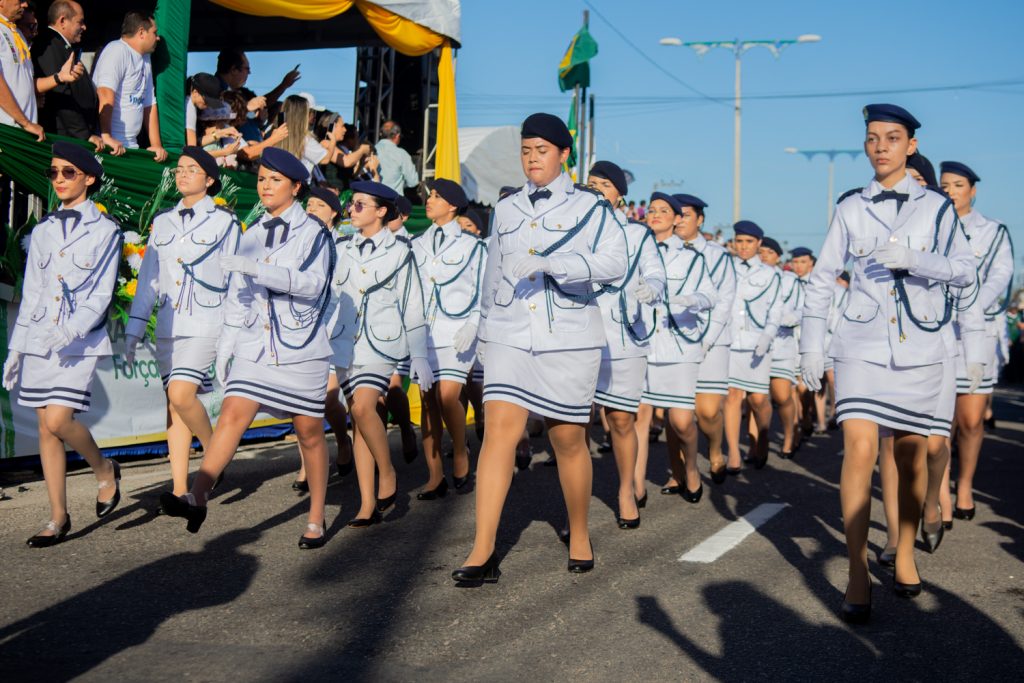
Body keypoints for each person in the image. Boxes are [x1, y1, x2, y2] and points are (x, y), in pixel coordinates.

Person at [800, 104, 977, 622]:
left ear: (911, 146)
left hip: (923, 349)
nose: (880, 146)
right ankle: (857, 570)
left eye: (892, 138)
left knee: (910, 456)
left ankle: (901, 552)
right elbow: (821, 277)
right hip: (862, 343)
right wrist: (813, 345)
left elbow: (965, 272)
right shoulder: (852, 206)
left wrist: (917, 260)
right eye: (873, 138)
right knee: (858, 446)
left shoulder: (939, 209)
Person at [452, 113, 626, 583]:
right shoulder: (506, 209)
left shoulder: (592, 209)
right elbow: (492, 271)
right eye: (526, 150)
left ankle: (580, 530)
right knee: (498, 436)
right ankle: (482, 550)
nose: (532, 158)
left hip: (566, 337)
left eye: (542, 150)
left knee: (567, 439)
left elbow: (616, 263)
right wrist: (481, 324)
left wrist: (557, 263)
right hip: (511, 332)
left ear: (564, 155)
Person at [160, 148, 335, 549]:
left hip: (300, 346)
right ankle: (198, 496)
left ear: (295, 187)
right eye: (261, 179)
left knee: (308, 432)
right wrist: (227, 346)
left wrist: (261, 270)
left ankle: (316, 515)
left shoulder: (315, 232)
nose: (266, 186)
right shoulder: (251, 232)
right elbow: (238, 297)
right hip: (256, 344)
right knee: (233, 413)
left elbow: (313, 285)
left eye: (275, 180)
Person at [3, 142, 121, 546]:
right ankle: (57, 517)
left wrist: (69, 331)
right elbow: (33, 292)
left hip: (79, 342)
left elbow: (101, 295)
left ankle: (104, 468)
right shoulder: (43, 230)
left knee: (58, 420)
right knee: (45, 429)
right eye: (54, 172)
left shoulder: (106, 231)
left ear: (89, 178)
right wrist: (16, 348)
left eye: (68, 172)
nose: (58, 180)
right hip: (39, 337)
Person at [125, 146, 240, 500]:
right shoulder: (163, 221)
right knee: (173, 406)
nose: (182, 174)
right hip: (169, 323)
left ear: (210, 180)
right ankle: (178, 489)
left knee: (181, 393)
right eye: (179, 169)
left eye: (192, 169)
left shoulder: (225, 222)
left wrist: (233, 331)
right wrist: (134, 327)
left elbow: (236, 279)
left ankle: (214, 456)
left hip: (207, 320)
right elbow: (149, 279)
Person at [328, 181, 433, 526]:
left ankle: (387, 472)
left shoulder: (402, 252)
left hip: (382, 343)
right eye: (351, 204)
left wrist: (419, 356)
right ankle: (367, 504)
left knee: (362, 406)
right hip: (345, 344)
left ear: (381, 211)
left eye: (360, 205)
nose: (352, 210)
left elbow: (413, 305)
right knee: (358, 420)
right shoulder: (343, 248)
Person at [587, 161, 666, 527]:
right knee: (570, 424)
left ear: (620, 195)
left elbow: (655, 272)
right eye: (591, 182)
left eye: (605, 184)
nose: (597, 188)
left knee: (620, 418)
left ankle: (624, 488)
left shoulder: (637, 235)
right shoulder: (570, 229)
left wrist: (652, 288)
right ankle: (575, 504)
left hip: (621, 335)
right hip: (576, 335)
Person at [940, 161, 1014, 521]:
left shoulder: (994, 231)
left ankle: (965, 483)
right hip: (938, 331)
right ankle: (941, 489)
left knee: (970, 420)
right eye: (945, 185)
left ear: (973, 189)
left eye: (957, 185)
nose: (951, 191)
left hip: (977, 332)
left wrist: (971, 306)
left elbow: (1002, 276)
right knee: (940, 422)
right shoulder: (931, 226)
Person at [634, 191, 715, 507]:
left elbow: (709, 296)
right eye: (651, 209)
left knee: (681, 421)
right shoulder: (636, 252)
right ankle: (636, 485)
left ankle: (691, 469)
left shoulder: (692, 257)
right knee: (639, 416)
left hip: (679, 344)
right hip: (644, 343)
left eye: (663, 210)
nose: (654, 214)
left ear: (677, 219)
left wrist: (692, 300)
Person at [411, 178, 485, 498]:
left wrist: (474, 324)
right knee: (428, 403)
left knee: (447, 395)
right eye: (430, 196)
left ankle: (460, 450)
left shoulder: (473, 246)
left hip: (457, 333)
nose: (429, 200)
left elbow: (484, 289)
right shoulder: (416, 243)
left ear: (452, 206)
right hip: (423, 333)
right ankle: (435, 475)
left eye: (437, 196)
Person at [667, 194, 736, 486]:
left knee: (707, 411)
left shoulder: (717, 255)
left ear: (700, 219)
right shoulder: (661, 251)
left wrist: (707, 339)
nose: (680, 220)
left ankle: (715, 449)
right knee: (675, 408)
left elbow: (724, 299)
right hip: (673, 337)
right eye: (676, 215)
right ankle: (679, 470)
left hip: (711, 339)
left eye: (685, 215)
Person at [292, 185, 353, 491]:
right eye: (309, 204)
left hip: (333, 329)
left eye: (319, 205)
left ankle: (343, 441)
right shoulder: (297, 242)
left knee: (327, 397)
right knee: (300, 400)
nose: (311, 208)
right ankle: (308, 463)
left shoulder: (345, 245)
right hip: (300, 328)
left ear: (334, 214)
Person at [723, 221, 783, 472]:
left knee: (758, 400)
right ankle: (734, 453)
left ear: (759, 243)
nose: (743, 247)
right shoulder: (726, 268)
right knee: (732, 397)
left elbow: (776, 310)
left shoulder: (771, 274)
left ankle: (763, 437)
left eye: (749, 242)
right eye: (739, 241)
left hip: (757, 343)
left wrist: (767, 336)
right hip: (730, 341)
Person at [93, 10, 166, 160]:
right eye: (154, 32)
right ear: (141, 33)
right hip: (110, 147)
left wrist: (157, 145)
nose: (157, 38)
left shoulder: (145, 58)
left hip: (131, 146)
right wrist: (106, 136)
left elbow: (149, 103)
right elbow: (105, 93)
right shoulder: (116, 50)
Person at [30, 0, 99, 148]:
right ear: (62, 21)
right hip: (64, 139)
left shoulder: (61, 46)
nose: (84, 27)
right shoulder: (48, 44)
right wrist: (84, 135)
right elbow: (60, 93)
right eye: (80, 22)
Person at [759, 236, 803, 458]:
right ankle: (759, 442)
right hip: (755, 346)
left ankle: (789, 434)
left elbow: (801, 310)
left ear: (778, 256)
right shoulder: (752, 276)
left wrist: (782, 319)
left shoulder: (790, 280)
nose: (764, 255)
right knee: (755, 398)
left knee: (782, 396)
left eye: (768, 252)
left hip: (782, 345)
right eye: (761, 251)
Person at [0, 0, 44, 140]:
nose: (24, 5)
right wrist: (25, 122)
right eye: (20, 0)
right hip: (7, 132)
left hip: (26, 130)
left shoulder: (17, 32)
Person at [273, 94, 343, 175]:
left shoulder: (275, 133)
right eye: (312, 112)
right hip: (298, 184)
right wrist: (333, 141)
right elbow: (325, 160)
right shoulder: (303, 139)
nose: (314, 116)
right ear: (303, 114)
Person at [376, 120, 419, 195]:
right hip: (393, 201)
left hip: (372, 199)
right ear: (397, 135)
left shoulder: (371, 150)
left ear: (380, 134)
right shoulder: (402, 154)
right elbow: (413, 182)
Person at [184, 72, 227, 146]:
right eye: (207, 101)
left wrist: (219, 133)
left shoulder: (192, 103)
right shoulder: (189, 106)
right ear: (195, 92)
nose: (208, 105)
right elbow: (192, 147)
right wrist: (226, 151)